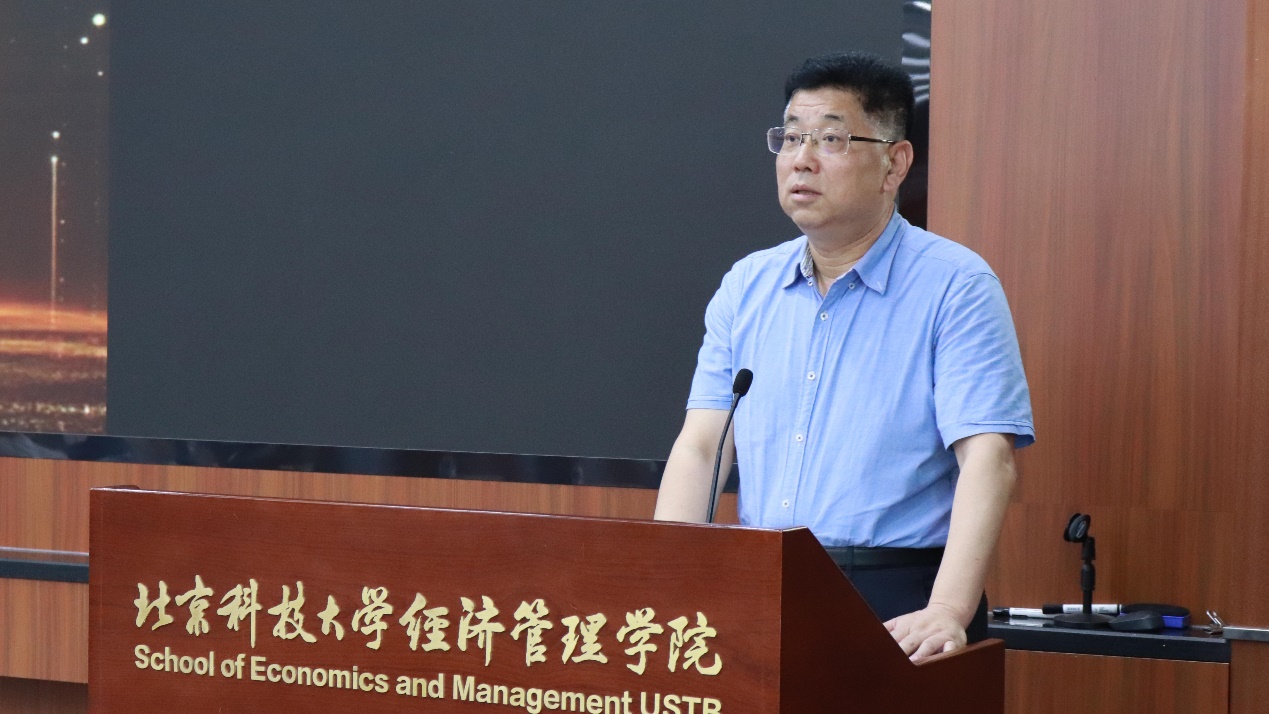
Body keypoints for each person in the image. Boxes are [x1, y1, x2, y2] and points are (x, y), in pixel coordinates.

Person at [654, 52, 1034, 661]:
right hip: (759, 581)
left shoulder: (956, 286)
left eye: (830, 138)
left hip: (896, 595)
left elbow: (989, 458)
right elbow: (702, 447)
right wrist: (665, 579)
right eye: (791, 137)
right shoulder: (746, 286)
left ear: (894, 164)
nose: (801, 159)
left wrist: (947, 609)